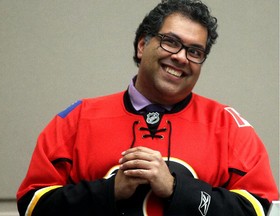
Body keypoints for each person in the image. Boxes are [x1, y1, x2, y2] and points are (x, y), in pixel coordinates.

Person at [17, 0, 279, 215]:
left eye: (195, 52)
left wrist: (178, 189)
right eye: (171, 42)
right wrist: (110, 191)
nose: (180, 57)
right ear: (142, 46)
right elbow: (33, 205)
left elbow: (258, 209)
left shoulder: (230, 127)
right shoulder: (76, 120)